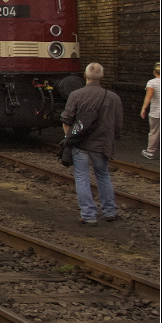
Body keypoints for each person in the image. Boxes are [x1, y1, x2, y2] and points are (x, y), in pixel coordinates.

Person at [61, 62, 124, 225]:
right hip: (102, 144)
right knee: (103, 175)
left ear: (85, 76)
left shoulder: (76, 95)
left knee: (82, 177)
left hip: (80, 143)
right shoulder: (113, 97)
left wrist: (70, 139)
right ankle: (109, 211)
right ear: (102, 77)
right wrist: (113, 139)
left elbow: (66, 120)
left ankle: (88, 215)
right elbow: (118, 125)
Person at [141, 63, 160, 160]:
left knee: (154, 132)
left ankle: (150, 152)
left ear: (154, 71)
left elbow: (149, 96)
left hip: (156, 112)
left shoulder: (152, 83)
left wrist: (144, 108)